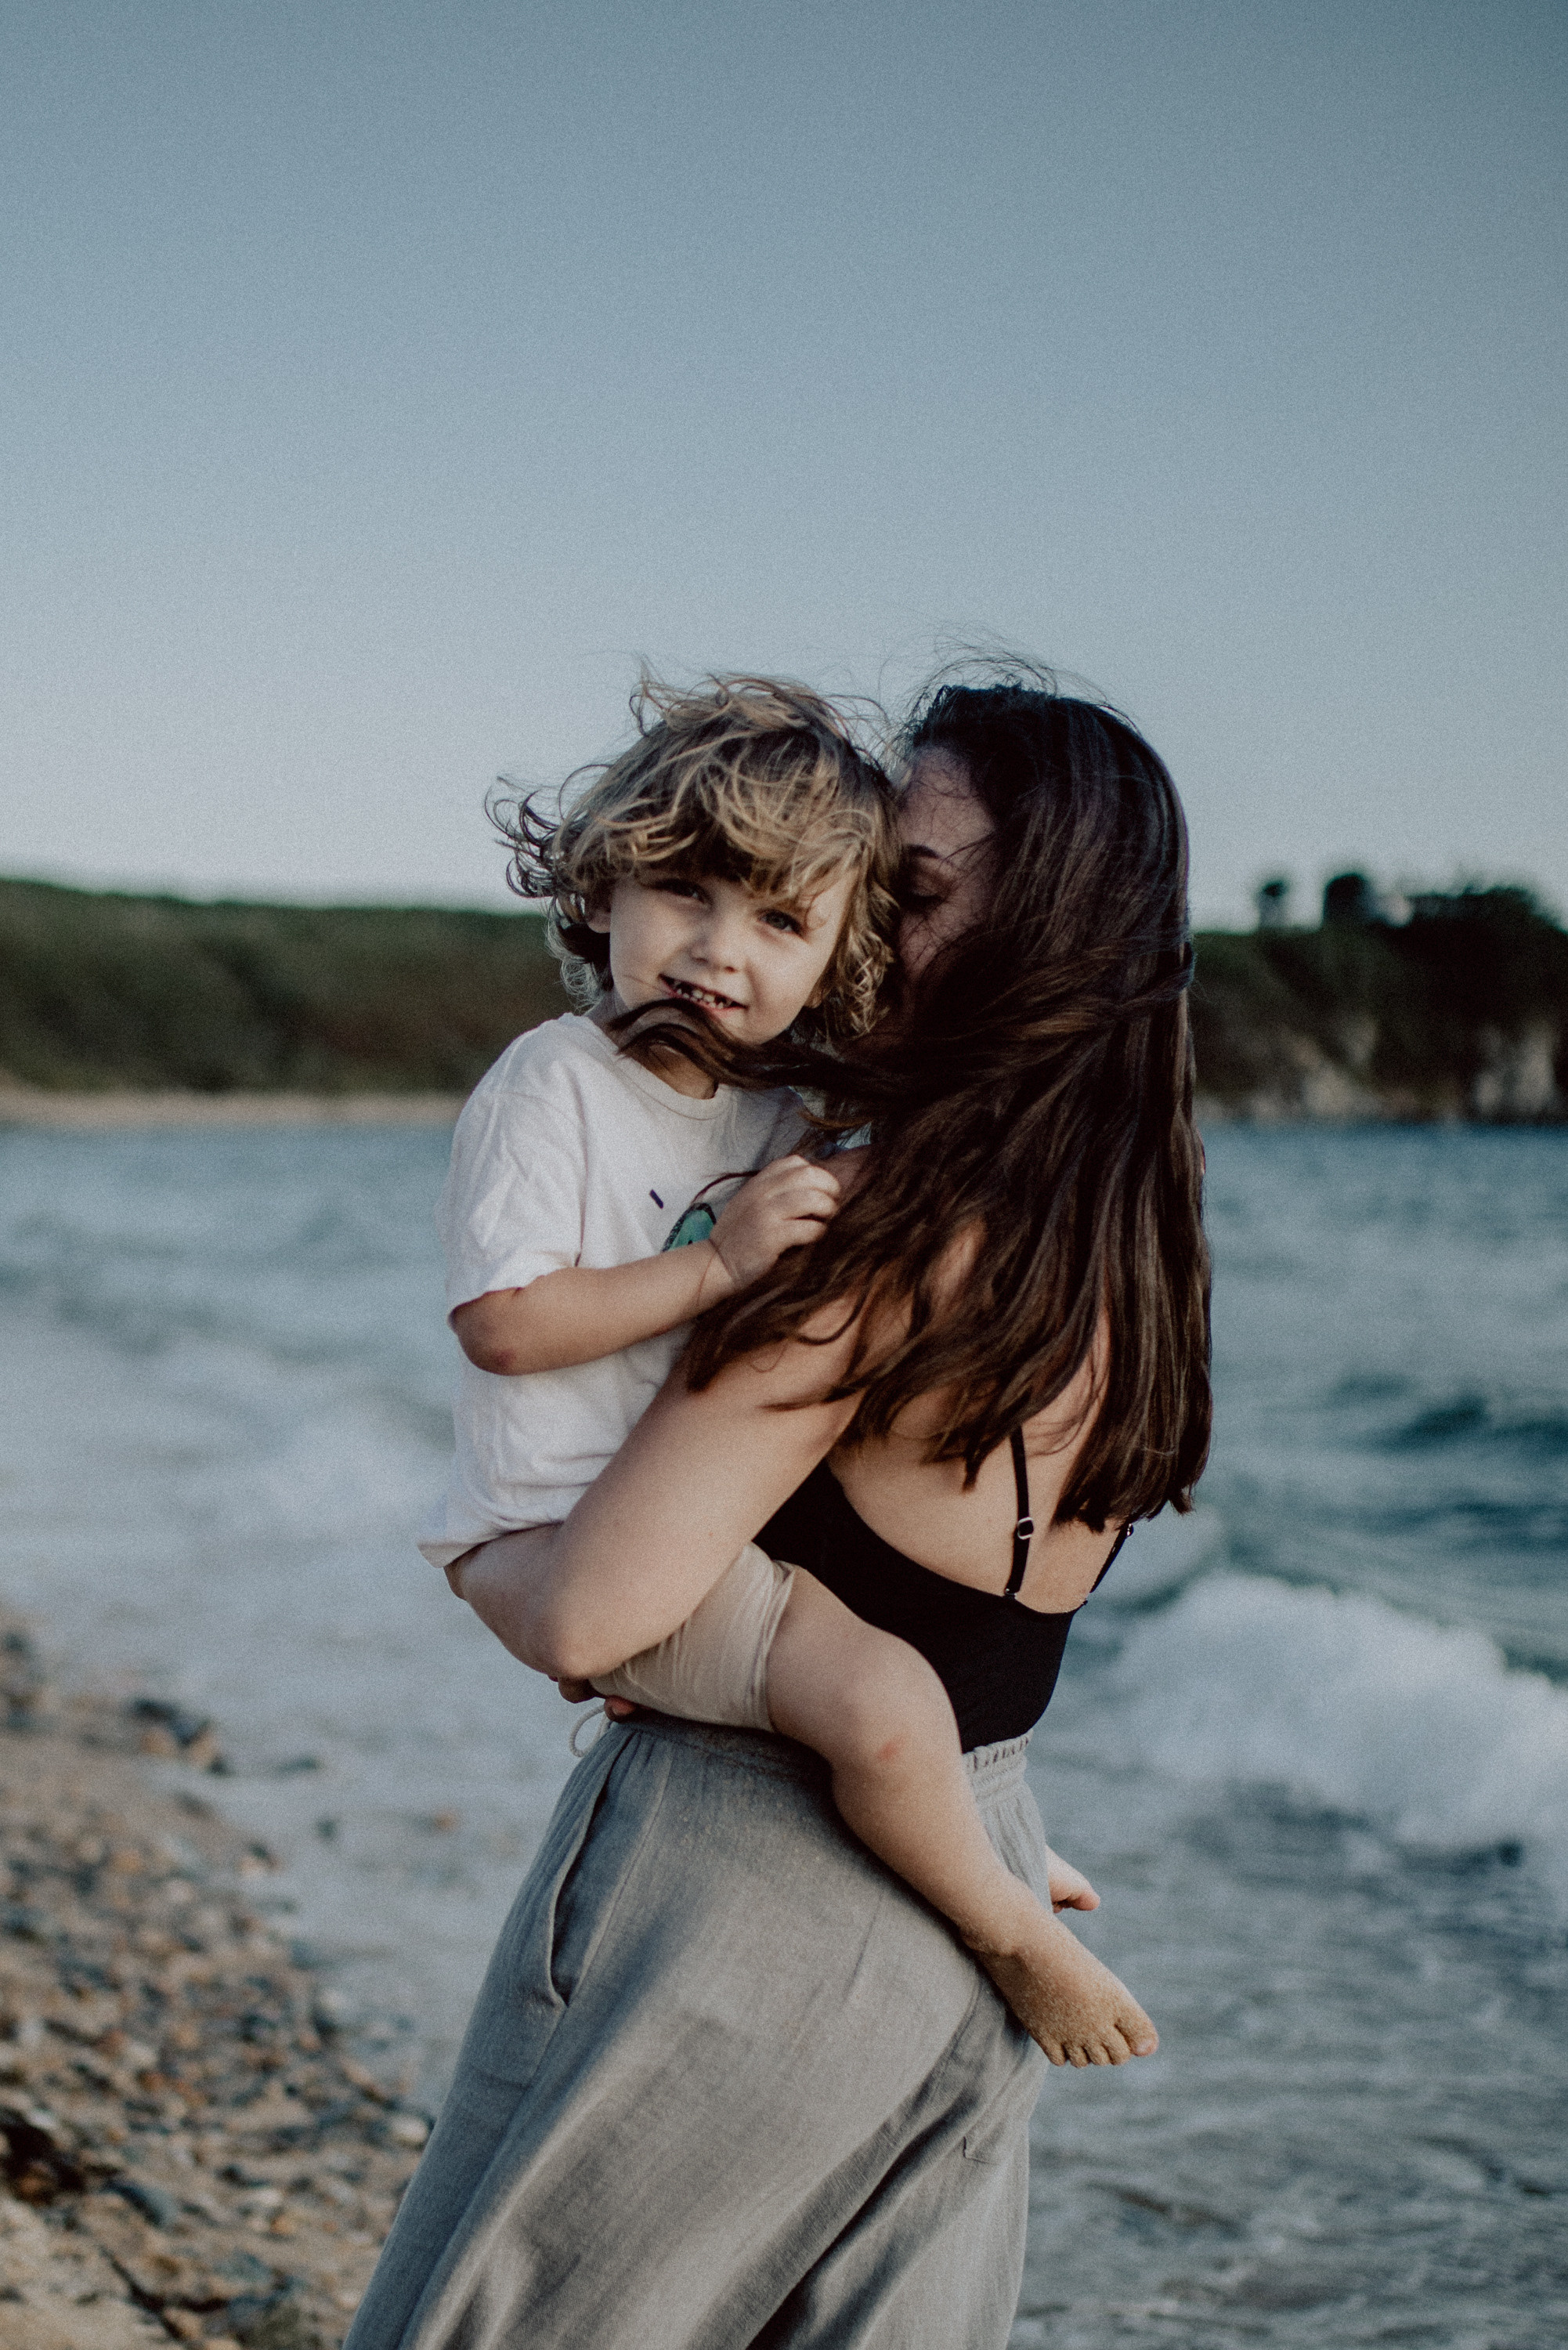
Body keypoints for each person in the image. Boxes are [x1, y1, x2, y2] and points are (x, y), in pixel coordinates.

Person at [347, 668, 1211, 2350]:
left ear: (1026, 935)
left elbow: (595, 1615)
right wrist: (984, 1849)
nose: (843, 928)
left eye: (898, 890)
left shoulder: (859, 1239)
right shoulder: (1126, 1262)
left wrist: (483, 1572)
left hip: (739, 1916)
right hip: (984, 1875)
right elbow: (960, 1651)